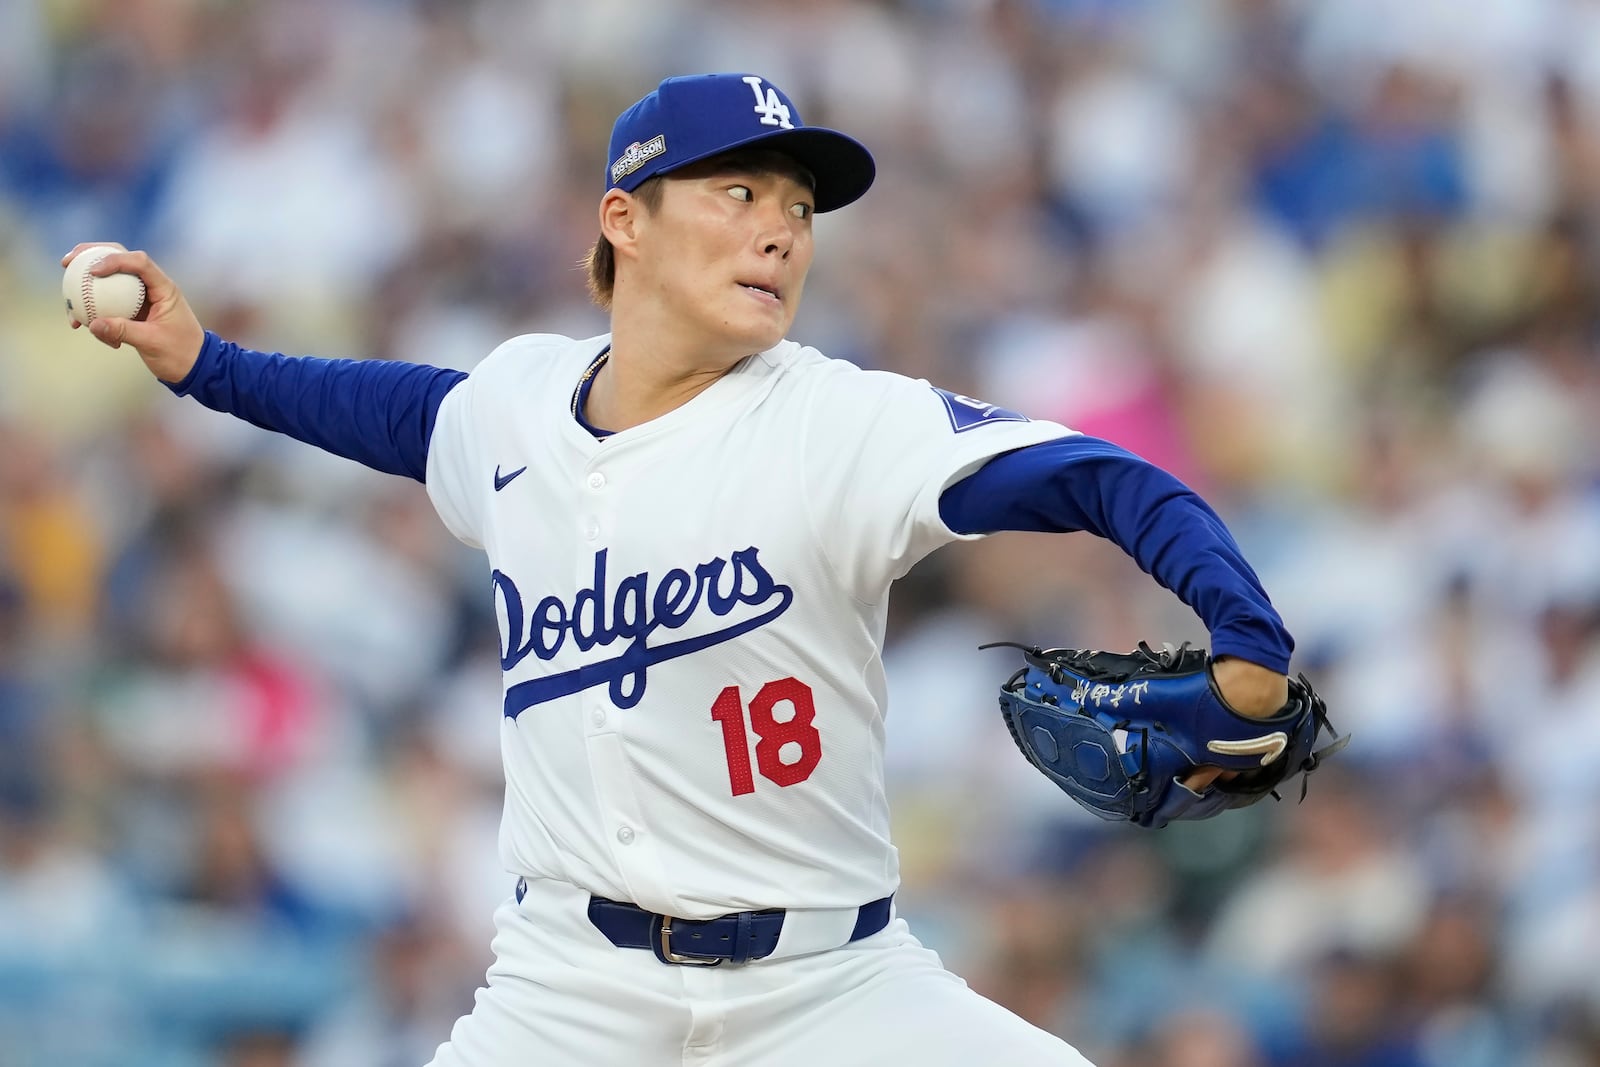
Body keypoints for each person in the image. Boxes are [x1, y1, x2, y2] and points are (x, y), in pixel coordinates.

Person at [67, 72, 1296, 1067]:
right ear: (624, 219)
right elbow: (383, 408)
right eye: (739, 191)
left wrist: (1248, 642)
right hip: (567, 992)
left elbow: (1107, 478)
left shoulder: (843, 423)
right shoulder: (516, 405)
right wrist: (202, 359)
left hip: (831, 989)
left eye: (800, 210)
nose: (779, 227)